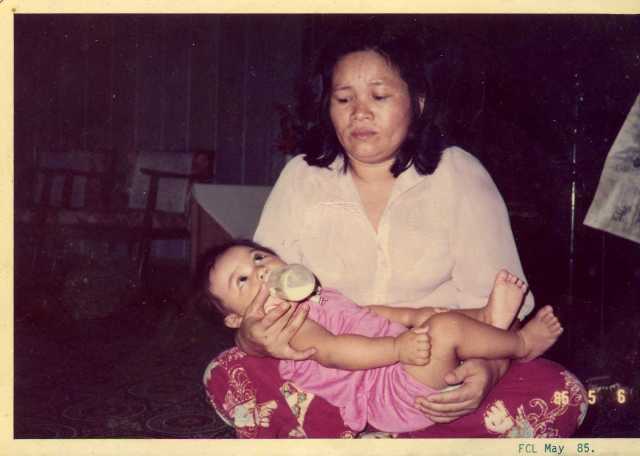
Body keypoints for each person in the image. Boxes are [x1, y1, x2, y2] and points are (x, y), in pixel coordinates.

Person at [204, 24, 587, 438]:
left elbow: (502, 312)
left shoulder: (460, 175)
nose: (359, 113)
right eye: (344, 99)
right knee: (228, 372)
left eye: (379, 96)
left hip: (435, 368)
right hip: (331, 378)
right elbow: (256, 292)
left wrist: (488, 371)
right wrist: (252, 339)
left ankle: (370, 436)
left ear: (417, 102)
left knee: (562, 394)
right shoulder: (301, 177)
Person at [204, 239, 563, 433]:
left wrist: (412, 316)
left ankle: (486, 318)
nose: (260, 272)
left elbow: (364, 313)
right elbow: (334, 351)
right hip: (389, 394)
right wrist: (396, 347)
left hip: (401, 364)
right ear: (237, 318)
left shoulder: (317, 298)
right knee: (445, 329)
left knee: (440, 317)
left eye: (259, 258)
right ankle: (520, 345)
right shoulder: (291, 327)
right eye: (243, 280)